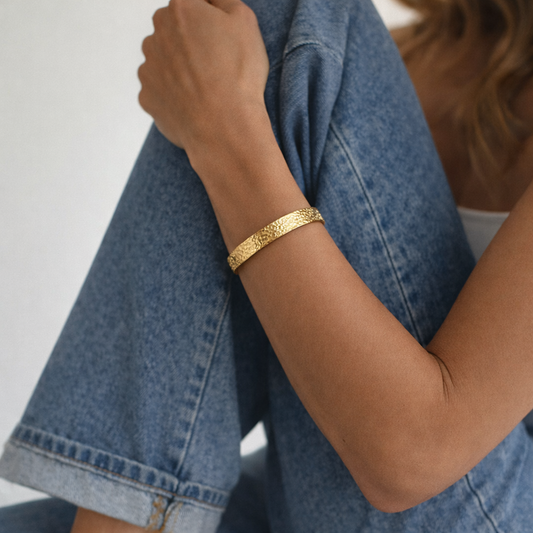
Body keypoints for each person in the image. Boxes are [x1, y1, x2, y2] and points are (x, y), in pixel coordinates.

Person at [1, 0, 532, 531]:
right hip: (320, 486)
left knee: (285, 24)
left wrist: (225, 133)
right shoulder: (387, 62)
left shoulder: (323, 50)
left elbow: (414, 455)